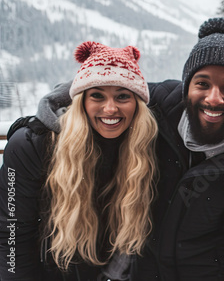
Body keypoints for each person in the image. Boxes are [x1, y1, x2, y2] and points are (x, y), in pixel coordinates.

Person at [34, 17, 224, 280]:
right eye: (202, 84)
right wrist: (44, 115)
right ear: (187, 88)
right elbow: (106, 86)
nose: (213, 97)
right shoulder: (162, 107)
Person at [0, 41, 158, 280]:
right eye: (97, 95)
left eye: (123, 96)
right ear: (80, 101)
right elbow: (12, 235)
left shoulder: (143, 147)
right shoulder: (32, 146)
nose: (110, 108)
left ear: (137, 105)